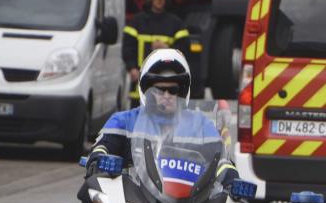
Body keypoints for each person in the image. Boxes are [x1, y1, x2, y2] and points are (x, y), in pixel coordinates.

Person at [86, 48, 237, 188]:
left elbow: (222, 161)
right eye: (159, 90)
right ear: (148, 91)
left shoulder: (201, 125)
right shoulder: (123, 121)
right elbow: (102, 148)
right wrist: (97, 158)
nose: (167, 96)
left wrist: (231, 178)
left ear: (182, 92)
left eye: (173, 90)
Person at [123, 0, 190, 103]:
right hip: (141, 80)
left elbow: (185, 48)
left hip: (167, 84)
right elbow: (128, 47)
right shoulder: (137, 22)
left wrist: (167, 49)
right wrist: (132, 68)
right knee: (139, 119)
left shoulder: (176, 23)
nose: (159, 0)